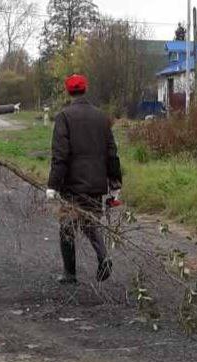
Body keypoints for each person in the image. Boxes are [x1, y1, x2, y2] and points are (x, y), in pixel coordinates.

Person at [46, 74, 122, 284]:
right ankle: (104, 257)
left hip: (72, 184)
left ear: (68, 92)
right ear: (85, 89)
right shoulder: (100, 116)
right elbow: (111, 152)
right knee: (89, 222)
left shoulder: (64, 116)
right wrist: (115, 182)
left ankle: (70, 274)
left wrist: (52, 185)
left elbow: (60, 154)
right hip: (96, 182)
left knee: (67, 228)